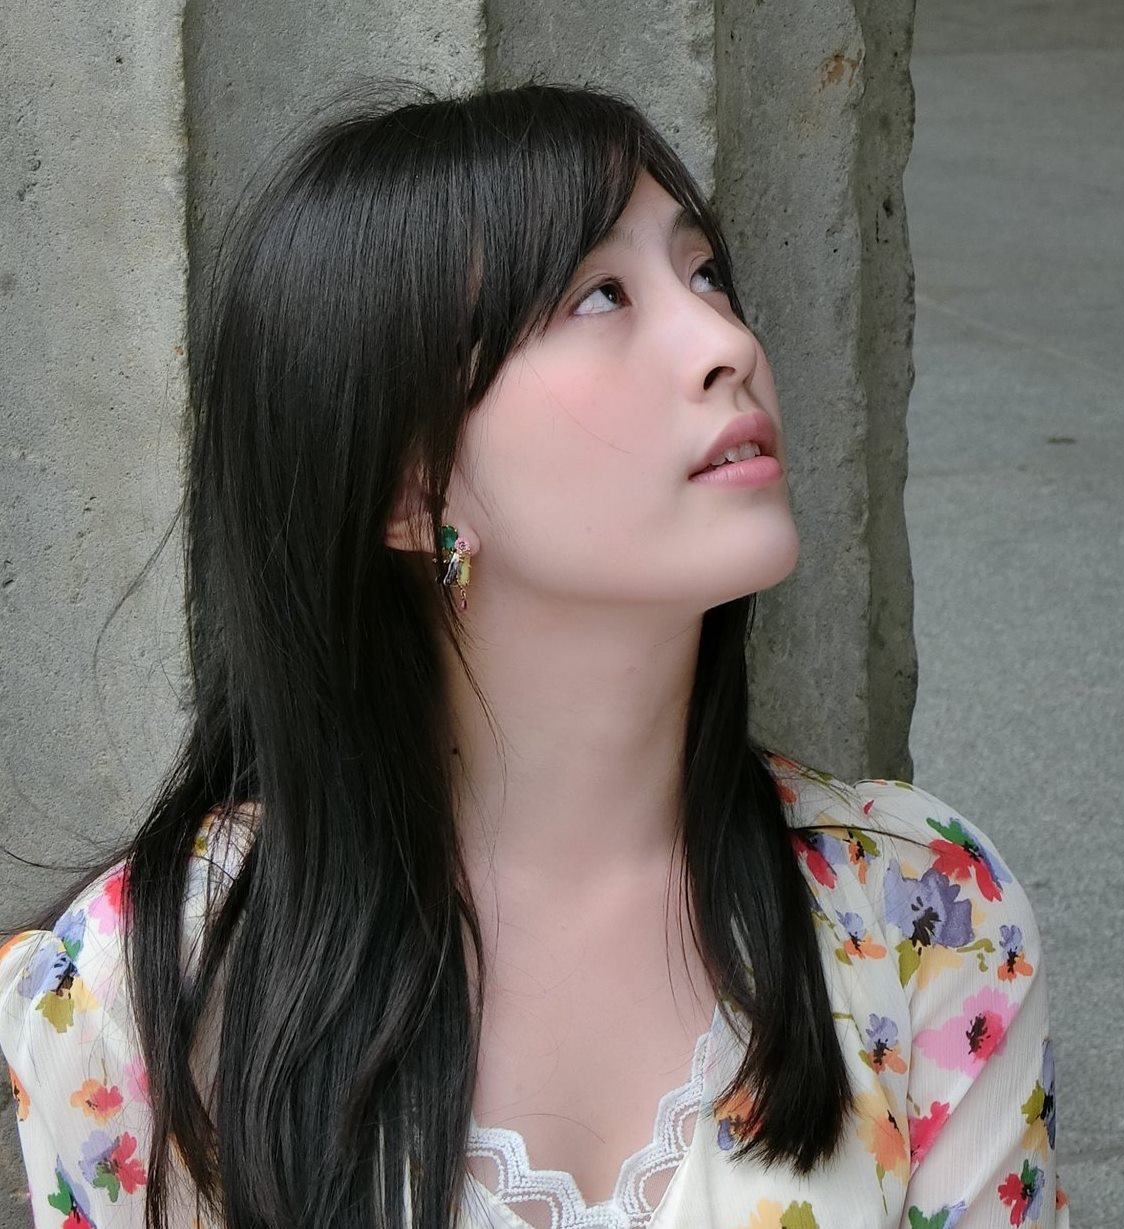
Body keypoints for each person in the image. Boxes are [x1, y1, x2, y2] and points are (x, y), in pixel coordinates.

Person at [0, 82, 1069, 1229]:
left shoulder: (918, 907)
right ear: (410, 484)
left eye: (704, 272)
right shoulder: (143, 992)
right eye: (600, 294)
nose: (726, 344)